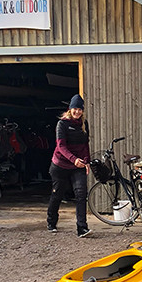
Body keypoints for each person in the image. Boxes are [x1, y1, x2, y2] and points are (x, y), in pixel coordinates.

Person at [47, 94, 92, 237]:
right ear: (70, 109)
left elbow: (85, 145)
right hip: (60, 165)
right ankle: (51, 221)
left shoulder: (84, 125)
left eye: (80, 109)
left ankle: (82, 228)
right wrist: (73, 159)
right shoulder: (62, 124)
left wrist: (86, 161)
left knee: (81, 194)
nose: (77, 112)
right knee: (58, 194)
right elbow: (61, 146)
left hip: (77, 165)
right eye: (75, 109)